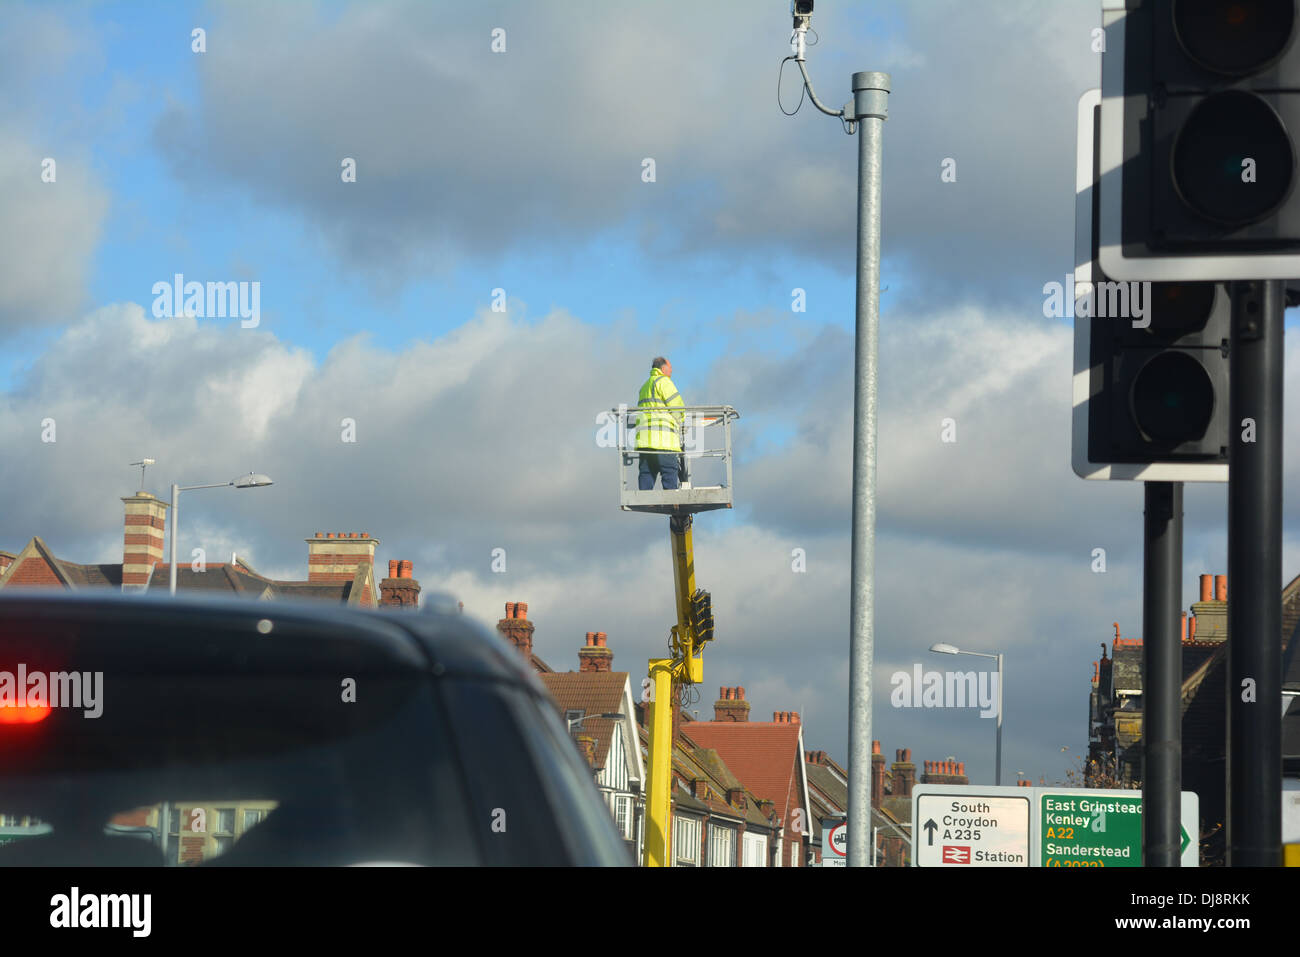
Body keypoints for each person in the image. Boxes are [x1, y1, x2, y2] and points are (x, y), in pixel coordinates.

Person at [635, 357, 685, 490]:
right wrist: (682, 423)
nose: (672, 370)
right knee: (669, 471)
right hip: (663, 440)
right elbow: (677, 408)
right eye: (670, 368)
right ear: (663, 369)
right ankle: (672, 504)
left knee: (647, 473)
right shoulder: (665, 382)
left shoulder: (644, 386)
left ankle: (644, 500)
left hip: (646, 442)